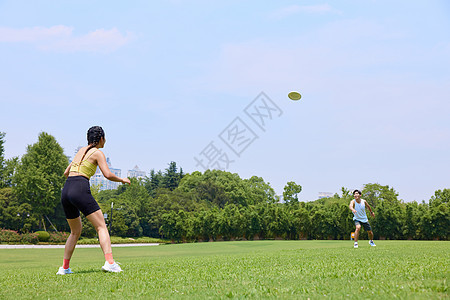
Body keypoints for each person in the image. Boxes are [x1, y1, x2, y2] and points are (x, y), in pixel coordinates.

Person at [56, 126, 130, 275]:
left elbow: (66, 173)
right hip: (79, 188)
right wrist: (122, 179)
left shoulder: (80, 151)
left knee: (75, 231)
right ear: (101, 138)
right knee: (101, 226)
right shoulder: (97, 153)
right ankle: (110, 263)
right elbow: (108, 174)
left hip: (67, 189)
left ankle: (64, 268)